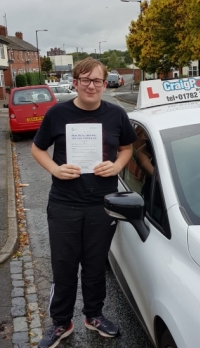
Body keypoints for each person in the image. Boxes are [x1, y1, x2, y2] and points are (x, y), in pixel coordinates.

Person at [31, 57, 137, 348]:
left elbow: (127, 148)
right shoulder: (57, 114)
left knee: (94, 266)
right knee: (64, 266)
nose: (92, 86)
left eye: (98, 81)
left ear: (106, 83)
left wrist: (116, 167)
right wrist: (54, 169)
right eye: (85, 80)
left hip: (101, 204)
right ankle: (61, 323)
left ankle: (94, 315)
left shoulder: (116, 115)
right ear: (75, 83)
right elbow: (37, 149)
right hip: (64, 203)